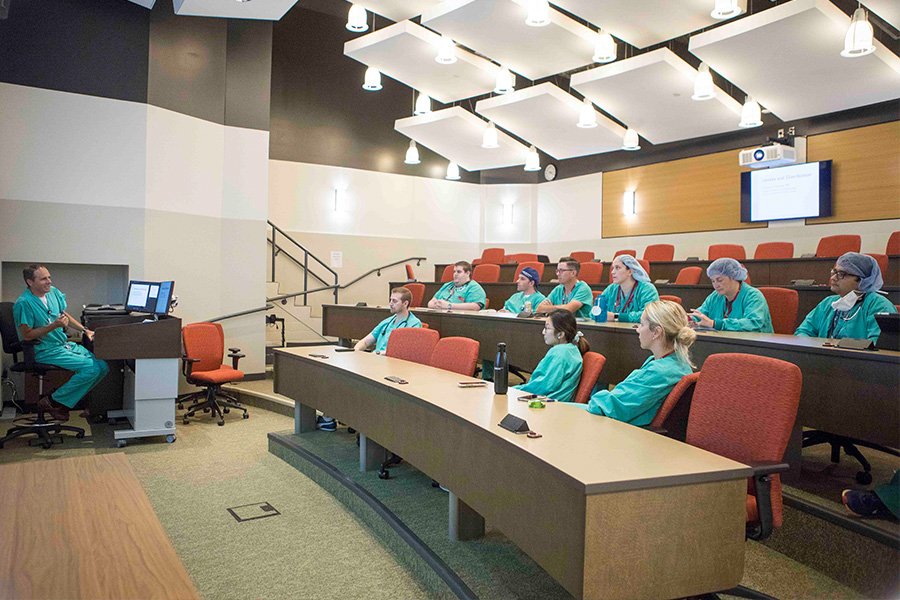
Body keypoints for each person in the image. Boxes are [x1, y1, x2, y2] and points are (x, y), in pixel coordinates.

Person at [571, 300, 695, 427]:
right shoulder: (673, 362)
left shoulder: (660, 371)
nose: (638, 330)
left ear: (657, 332)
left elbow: (609, 406)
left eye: (641, 324)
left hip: (623, 430)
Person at [13, 265, 109, 422]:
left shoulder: (53, 293)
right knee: (91, 368)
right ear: (30, 282)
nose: (49, 281)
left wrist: (85, 330)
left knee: (103, 367)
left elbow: (64, 316)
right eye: (44, 279)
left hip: (62, 345)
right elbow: (27, 335)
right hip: (44, 350)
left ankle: (61, 403)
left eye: (49, 277)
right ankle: (52, 401)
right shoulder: (24, 303)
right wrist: (53, 326)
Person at [795, 252, 897, 342]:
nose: (833, 278)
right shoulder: (828, 303)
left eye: (842, 274)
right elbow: (803, 331)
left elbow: (880, 345)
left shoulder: (879, 306)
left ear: (862, 280)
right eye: (834, 272)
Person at [513, 309, 588, 403]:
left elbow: (543, 386)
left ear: (560, 334)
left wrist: (513, 390)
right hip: (552, 400)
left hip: (548, 403)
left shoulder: (559, 354)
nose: (543, 332)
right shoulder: (570, 349)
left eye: (547, 328)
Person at [688, 258, 773, 333]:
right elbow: (701, 315)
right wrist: (687, 320)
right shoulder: (715, 296)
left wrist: (715, 324)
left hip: (756, 346)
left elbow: (753, 324)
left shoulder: (753, 296)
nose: (715, 285)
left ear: (733, 277)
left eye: (719, 280)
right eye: (713, 281)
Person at [354, 287, 422, 353]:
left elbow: (408, 351)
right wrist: (356, 349)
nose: (390, 304)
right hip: (376, 359)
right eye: (390, 300)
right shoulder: (387, 322)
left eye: (394, 301)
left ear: (405, 303)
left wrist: (380, 353)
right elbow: (365, 342)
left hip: (394, 362)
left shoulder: (414, 324)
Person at [597, 255, 659, 322]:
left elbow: (649, 315)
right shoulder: (611, 289)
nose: (612, 272)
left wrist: (616, 317)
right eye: (613, 268)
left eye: (617, 268)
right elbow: (594, 312)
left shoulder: (647, 289)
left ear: (630, 271)